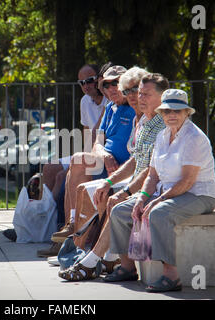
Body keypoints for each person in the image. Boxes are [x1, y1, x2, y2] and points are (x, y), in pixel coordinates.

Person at [58, 72, 169, 281]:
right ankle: (96, 254)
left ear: (161, 96)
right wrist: (110, 181)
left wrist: (124, 190)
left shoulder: (161, 124)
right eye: (130, 92)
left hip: (159, 187)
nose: (136, 97)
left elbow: (150, 171)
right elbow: (135, 161)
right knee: (97, 190)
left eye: (142, 93)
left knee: (113, 202)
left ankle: (94, 259)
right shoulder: (145, 120)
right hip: (136, 178)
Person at [108, 88, 215, 292]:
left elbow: (187, 181)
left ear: (187, 113)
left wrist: (157, 201)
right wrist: (142, 198)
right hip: (169, 192)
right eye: (167, 111)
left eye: (177, 111)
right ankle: (127, 267)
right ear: (161, 113)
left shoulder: (194, 138)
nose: (172, 115)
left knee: (159, 213)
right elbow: (152, 175)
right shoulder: (162, 136)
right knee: (120, 211)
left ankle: (171, 275)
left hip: (198, 194)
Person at [51, 65, 135, 248]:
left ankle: (73, 239)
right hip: (106, 164)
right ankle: (71, 229)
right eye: (106, 85)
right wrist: (105, 155)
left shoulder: (136, 107)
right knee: (74, 165)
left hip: (126, 168)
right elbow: (96, 142)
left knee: (76, 167)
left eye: (116, 83)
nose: (111, 88)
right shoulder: (111, 107)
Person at [33, 64, 109, 257]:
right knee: (50, 168)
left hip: (103, 152)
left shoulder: (111, 99)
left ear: (100, 79)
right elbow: (87, 136)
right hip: (90, 150)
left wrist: (79, 163)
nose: (86, 86)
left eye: (90, 80)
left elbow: (100, 137)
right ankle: (45, 227)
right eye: (81, 82)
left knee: (62, 177)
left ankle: (61, 237)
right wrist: (80, 159)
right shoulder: (85, 101)